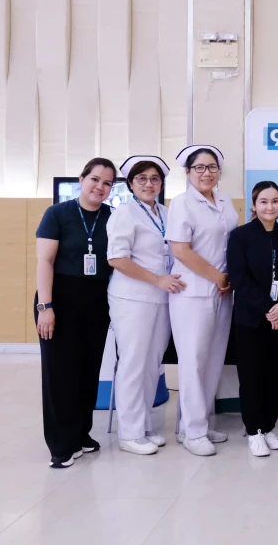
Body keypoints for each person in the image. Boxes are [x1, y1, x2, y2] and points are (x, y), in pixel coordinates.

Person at [34, 157, 117, 468]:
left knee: (87, 371)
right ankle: (60, 444)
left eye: (107, 183)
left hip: (96, 301)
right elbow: (45, 262)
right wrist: (46, 307)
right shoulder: (58, 214)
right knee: (60, 374)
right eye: (95, 179)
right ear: (82, 179)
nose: (100, 186)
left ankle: (81, 433)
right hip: (59, 299)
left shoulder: (113, 217)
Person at [106, 155, 185, 456]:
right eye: (142, 179)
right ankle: (129, 433)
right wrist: (156, 280)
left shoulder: (166, 212)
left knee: (153, 364)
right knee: (133, 363)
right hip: (133, 297)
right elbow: (117, 259)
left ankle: (143, 427)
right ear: (130, 183)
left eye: (154, 178)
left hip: (162, 297)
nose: (149, 184)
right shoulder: (124, 213)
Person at [165, 145, 238, 457]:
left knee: (213, 360)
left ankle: (198, 423)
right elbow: (180, 250)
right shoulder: (182, 204)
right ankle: (192, 431)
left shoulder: (225, 202)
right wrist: (217, 277)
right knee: (193, 361)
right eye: (199, 168)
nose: (206, 173)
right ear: (188, 172)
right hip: (192, 292)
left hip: (223, 290)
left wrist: (229, 278)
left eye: (212, 167)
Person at [227, 181, 278, 457]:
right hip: (251, 320)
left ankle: (268, 428)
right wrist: (270, 310)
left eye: (275, 201)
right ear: (254, 206)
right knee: (251, 377)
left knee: (274, 375)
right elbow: (239, 280)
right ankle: (254, 431)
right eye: (264, 201)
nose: (270, 206)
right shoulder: (240, 237)